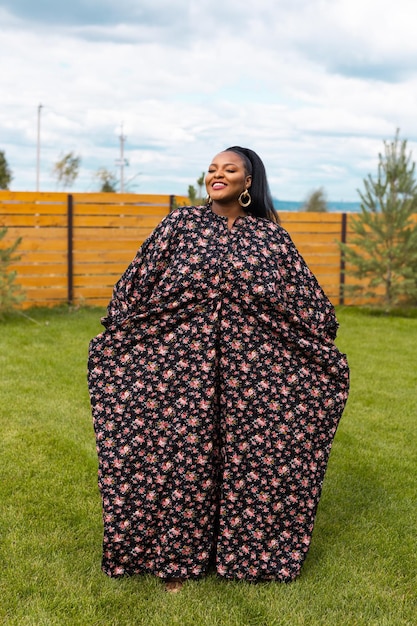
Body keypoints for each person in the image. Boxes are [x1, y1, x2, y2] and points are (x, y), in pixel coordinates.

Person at [88, 146, 349, 592]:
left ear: (249, 182)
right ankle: (174, 560)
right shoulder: (180, 224)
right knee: (180, 458)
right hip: (178, 368)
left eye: (229, 169)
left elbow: (311, 302)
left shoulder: (272, 240)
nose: (217, 175)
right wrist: (121, 333)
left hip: (255, 372)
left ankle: (252, 559)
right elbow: (137, 280)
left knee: (256, 458)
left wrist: (314, 343)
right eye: (211, 169)